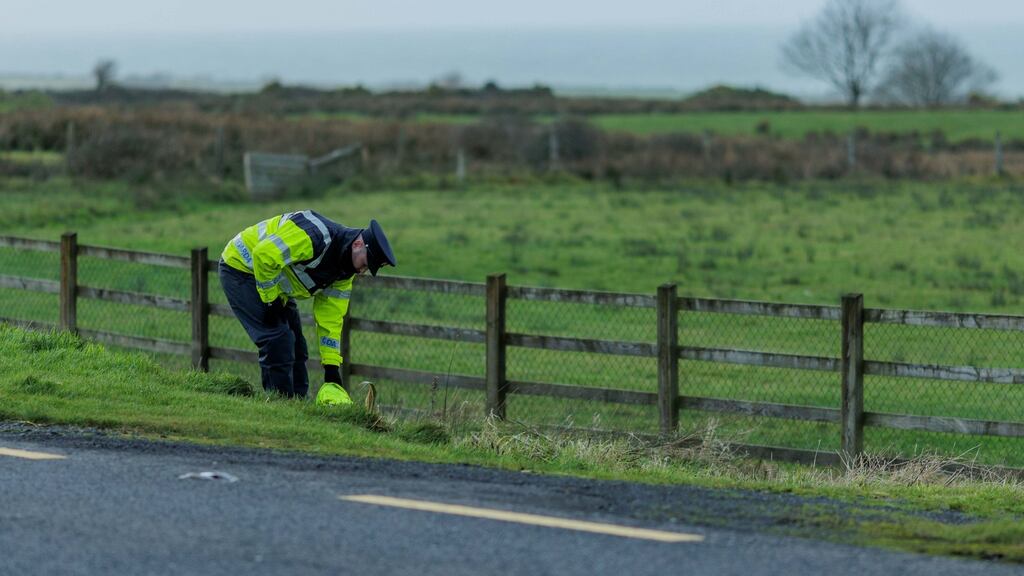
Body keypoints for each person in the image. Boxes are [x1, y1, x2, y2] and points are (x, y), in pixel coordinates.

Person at [219, 210, 395, 405]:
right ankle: (279, 408)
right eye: (366, 263)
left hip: (274, 282)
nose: (363, 271)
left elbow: (331, 321)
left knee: (298, 348)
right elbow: (263, 255)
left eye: (368, 269)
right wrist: (270, 301)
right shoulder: (314, 234)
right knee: (278, 340)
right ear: (358, 244)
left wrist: (331, 369)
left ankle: (298, 407)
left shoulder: (343, 274)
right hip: (241, 266)